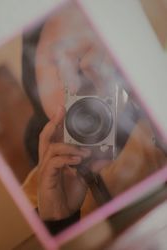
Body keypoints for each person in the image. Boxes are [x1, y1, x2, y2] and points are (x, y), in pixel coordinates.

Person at [21, 4, 167, 235]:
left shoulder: (157, 123)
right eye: (55, 61)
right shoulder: (36, 192)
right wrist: (60, 221)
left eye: (89, 55)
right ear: (32, 80)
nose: (75, 83)